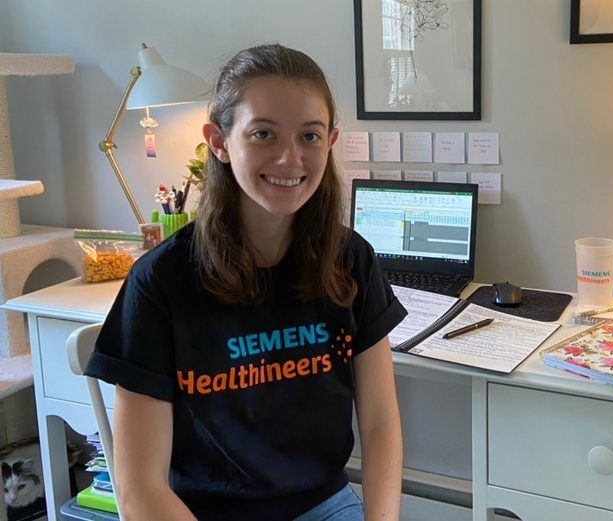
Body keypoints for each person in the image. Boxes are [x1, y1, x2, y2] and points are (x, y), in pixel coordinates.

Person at [85, 43, 407, 520]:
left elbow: (380, 425)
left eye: (310, 136)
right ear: (218, 141)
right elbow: (139, 491)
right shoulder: (160, 283)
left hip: (323, 505)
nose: (289, 158)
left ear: (331, 142)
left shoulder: (350, 259)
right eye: (263, 134)